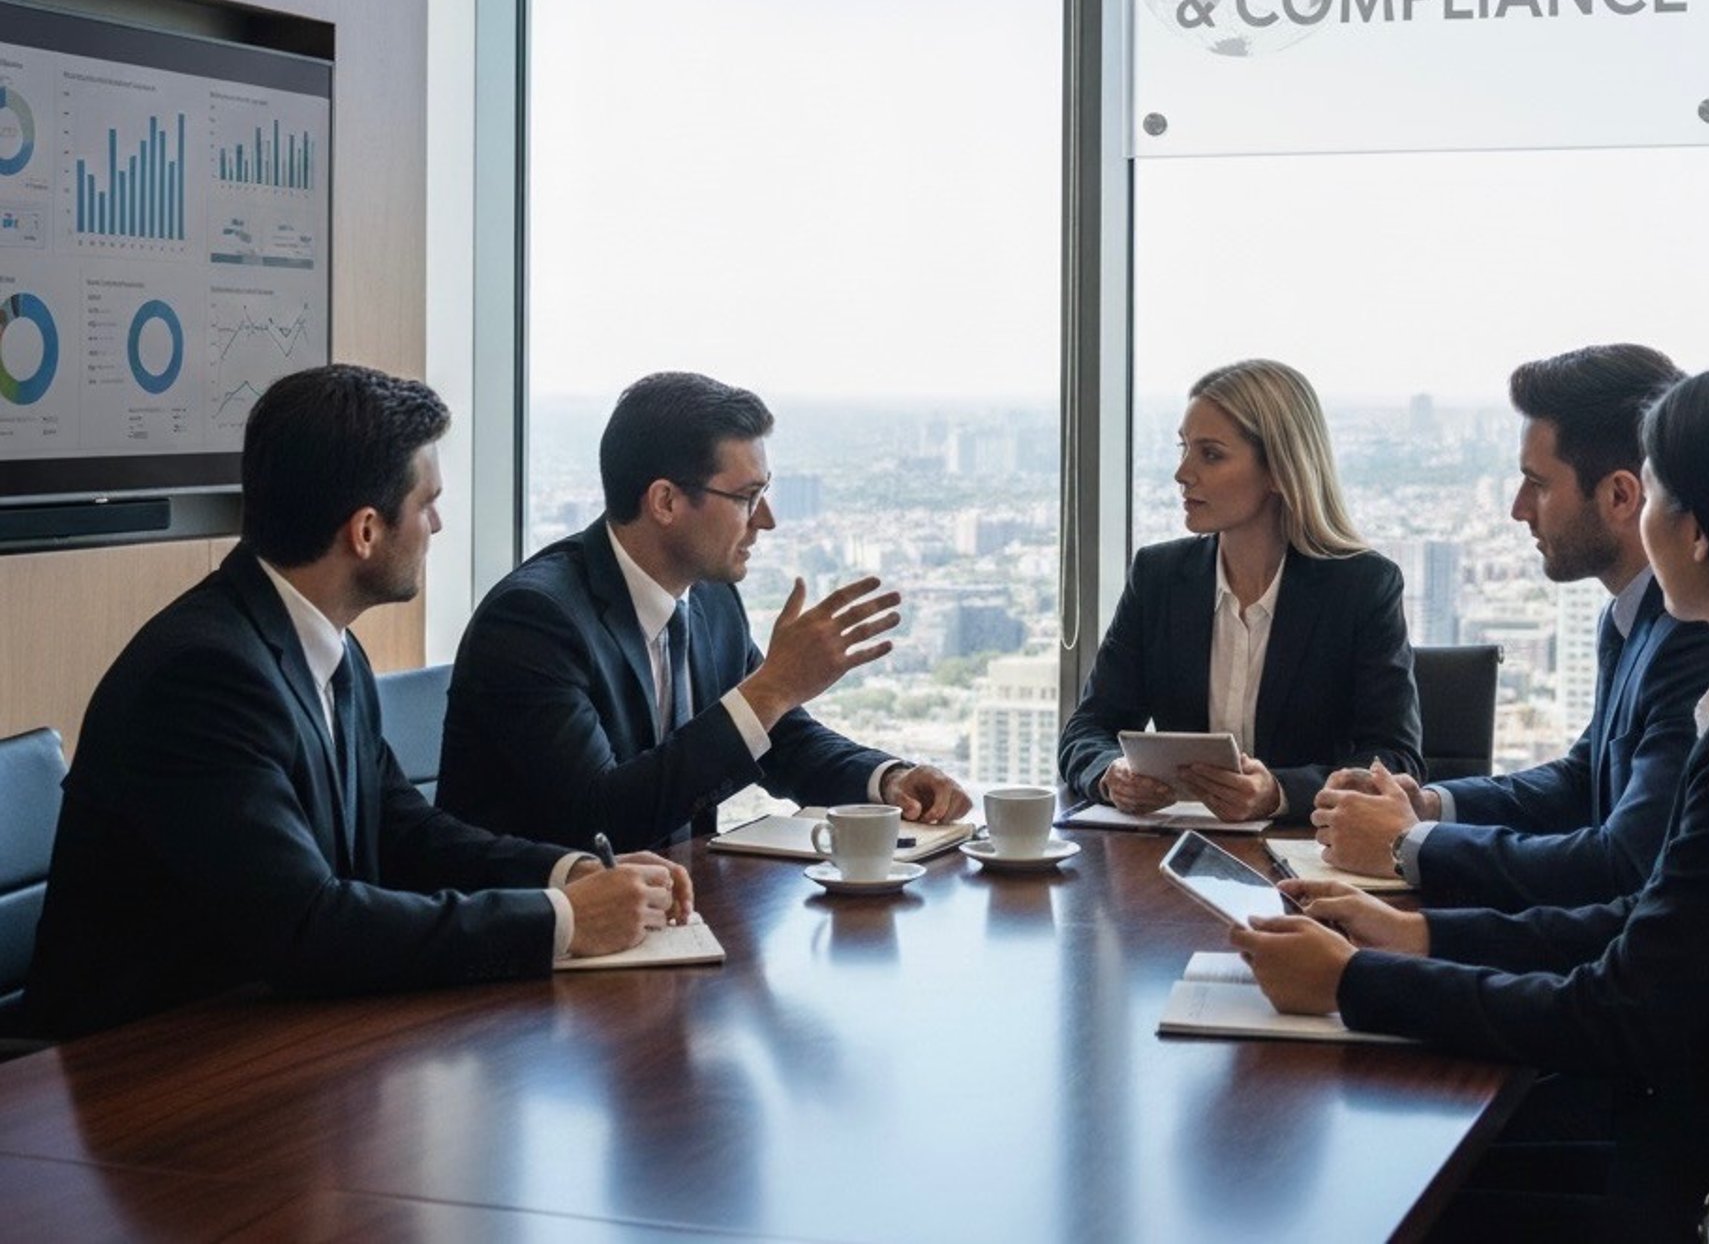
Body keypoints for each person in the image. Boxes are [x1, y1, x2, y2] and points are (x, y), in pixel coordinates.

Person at [1232, 363, 1709, 1238]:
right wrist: (1420, 934)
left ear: (1697, 529)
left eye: (1656, 486)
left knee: (1369, 1200)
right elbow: (1655, 921)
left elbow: (1623, 1008)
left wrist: (1357, 983)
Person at [28, 365, 689, 1040]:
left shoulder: (323, 644)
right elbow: (305, 925)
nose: (437, 522)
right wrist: (566, 922)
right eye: (426, 502)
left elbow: (402, 828)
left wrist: (567, 870)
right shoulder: (204, 676)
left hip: (273, 1037)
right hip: (144, 1068)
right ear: (365, 531)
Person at [437, 372, 969, 850]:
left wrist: (887, 779)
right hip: (548, 934)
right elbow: (600, 820)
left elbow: (777, 739)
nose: (767, 520)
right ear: (665, 502)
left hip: (674, 909)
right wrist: (773, 687)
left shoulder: (711, 598)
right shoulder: (535, 620)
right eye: (746, 497)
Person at [1310, 345, 1709, 908]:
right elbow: (1584, 781)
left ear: (1621, 496)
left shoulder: (1695, 637)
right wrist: (1430, 806)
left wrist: (1407, 844)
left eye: (1539, 483)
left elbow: (1626, 863)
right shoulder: (1631, 614)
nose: (1518, 508)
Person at [1056, 359, 1422, 825]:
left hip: (1307, 861)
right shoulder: (1159, 576)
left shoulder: (1361, 586)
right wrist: (1111, 774)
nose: (1182, 473)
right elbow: (1086, 731)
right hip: (1169, 855)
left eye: (1210, 454)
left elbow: (1396, 760)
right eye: (1184, 449)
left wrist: (1279, 793)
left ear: (1278, 470)